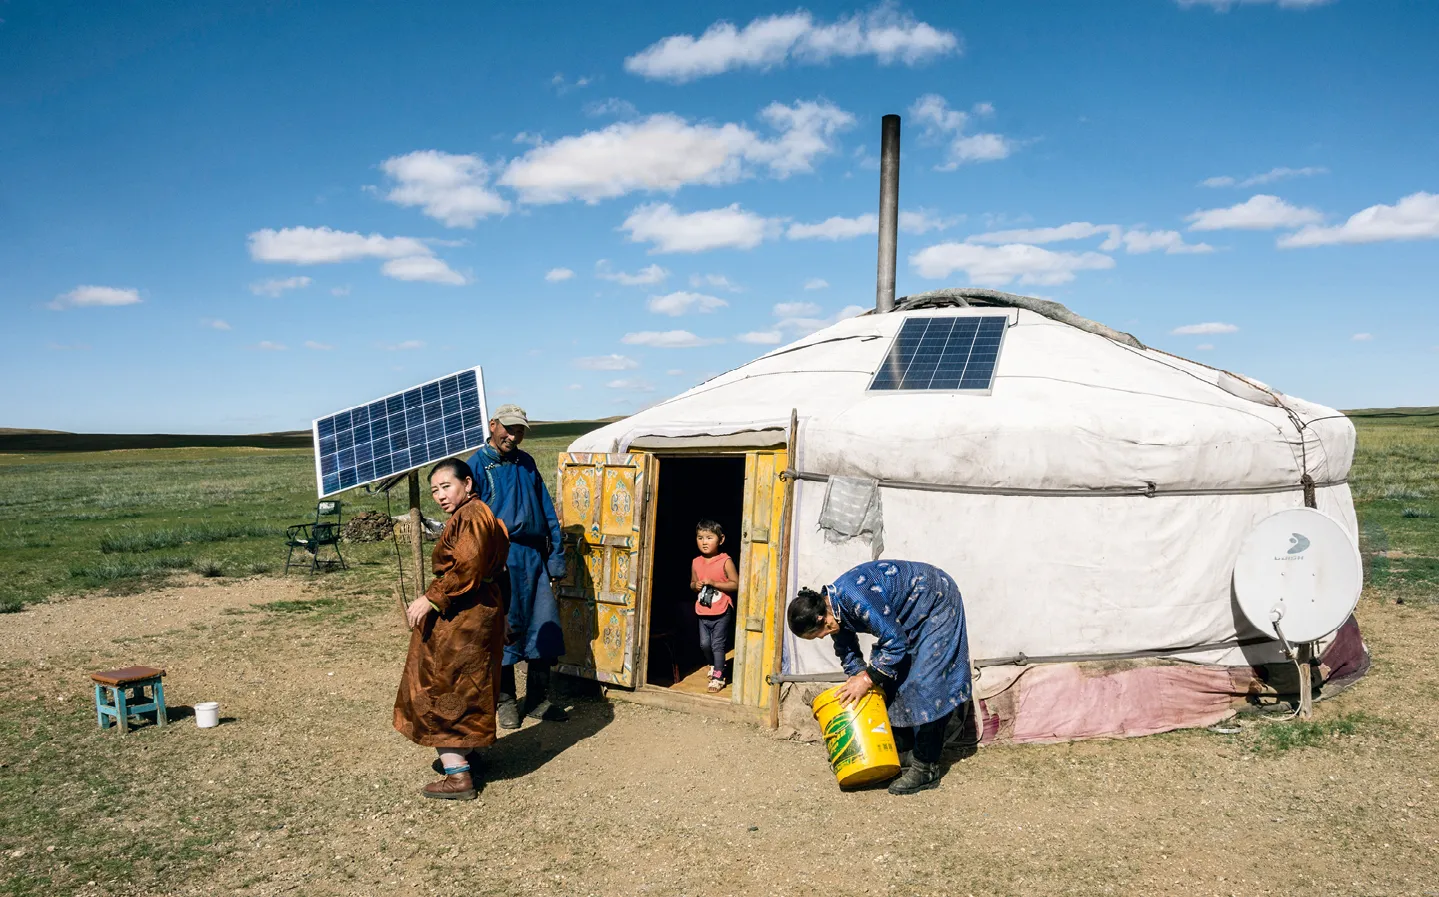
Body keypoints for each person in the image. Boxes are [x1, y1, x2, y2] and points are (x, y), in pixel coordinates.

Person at [787, 560, 972, 796]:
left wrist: (866, 680)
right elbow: (847, 650)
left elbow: (895, 644)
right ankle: (902, 750)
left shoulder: (855, 598)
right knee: (894, 677)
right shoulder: (832, 608)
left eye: (819, 634)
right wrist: (858, 677)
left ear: (823, 619)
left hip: (936, 599)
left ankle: (926, 766)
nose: (823, 637)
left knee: (926, 683)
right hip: (908, 615)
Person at [393, 458, 511, 800]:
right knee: (469, 684)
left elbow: (468, 566)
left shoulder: (471, 516)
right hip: (480, 610)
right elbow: (493, 569)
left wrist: (430, 599)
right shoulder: (481, 513)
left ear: (468, 484)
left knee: (441, 685)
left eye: (446, 486)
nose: (440, 495)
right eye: (434, 490)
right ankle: (465, 751)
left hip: (462, 616)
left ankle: (457, 774)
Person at [467, 403, 568, 728]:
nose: (514, 435)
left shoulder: (527, 463)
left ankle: (538, 699)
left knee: (544, 628)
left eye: (520, 430)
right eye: (509, 429)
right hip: (500, 561)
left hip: (534, 559)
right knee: (504, 631)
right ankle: (506, 700)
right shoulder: (476, 467)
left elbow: (547, 511)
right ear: (493, 425)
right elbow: (468, 522)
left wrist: (555, 558)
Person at [690, 519, 739, 693]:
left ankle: (718, 677)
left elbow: (736, 584)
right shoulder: (696, 562)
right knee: (705, 644)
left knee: (718, 644)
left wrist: (714, 583)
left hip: (722, 610)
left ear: (721, 539)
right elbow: (692, 582)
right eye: (700, 537)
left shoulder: (725, 561)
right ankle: (713, 664)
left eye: (709, 537)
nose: (704, 542)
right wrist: (694, 586)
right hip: (703, 610)